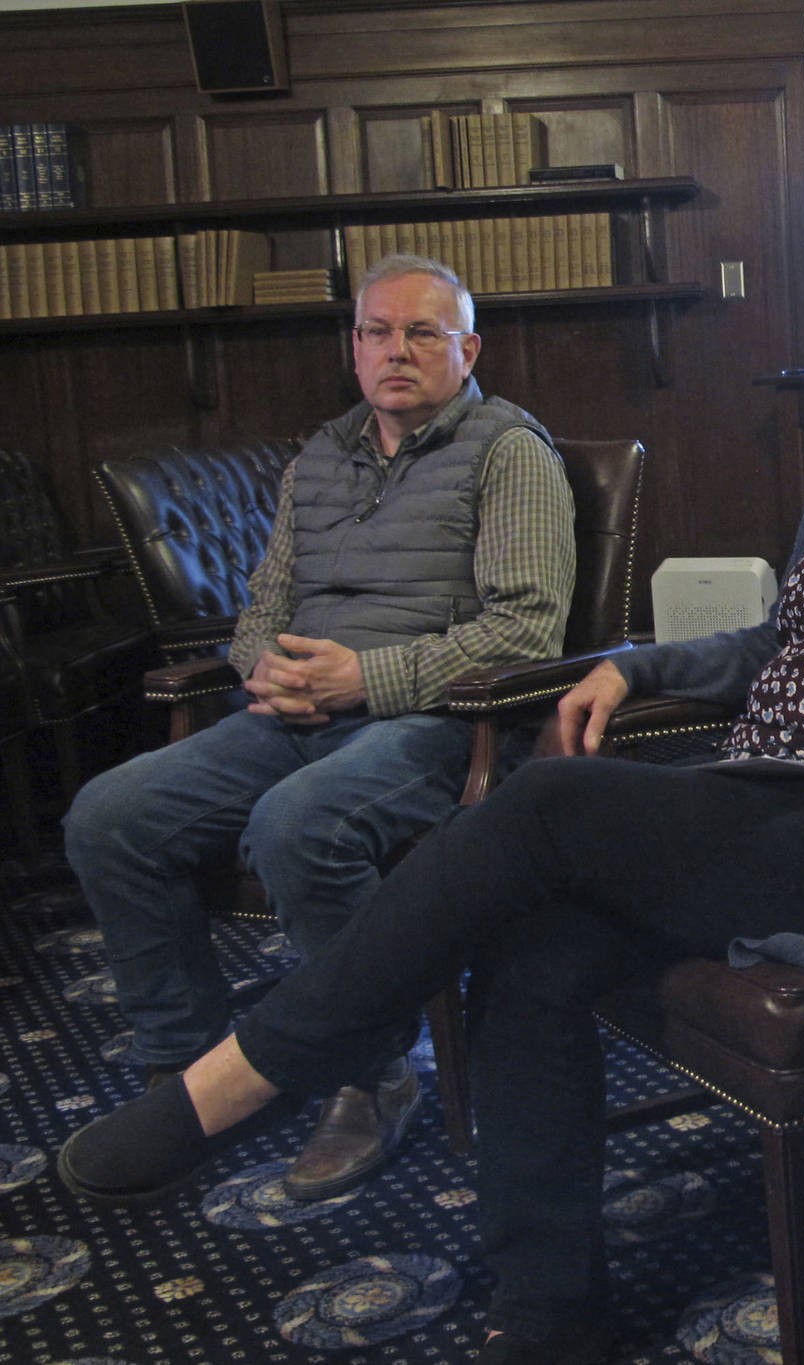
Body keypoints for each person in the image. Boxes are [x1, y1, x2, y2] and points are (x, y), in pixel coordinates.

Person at [53, 214, 804, 1365]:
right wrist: (632, 666)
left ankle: (263, 1068)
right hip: (746, 799)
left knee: (543, 799)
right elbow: (777, 643)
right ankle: (549, 1318)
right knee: (531, 952)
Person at [61, 254, 575, 1203]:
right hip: (294, 712)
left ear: (468, 348)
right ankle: (188, 1071)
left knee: (301, 826)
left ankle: (372, 1069)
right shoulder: (321, 457)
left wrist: (360, 678)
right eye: (377, 332)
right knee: (107, 815)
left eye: (423, 332)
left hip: (432, 722)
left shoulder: (510, 452)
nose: (397, 351)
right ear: (354, 347)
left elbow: (525, 632)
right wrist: (269, 664)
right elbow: (262, 604)